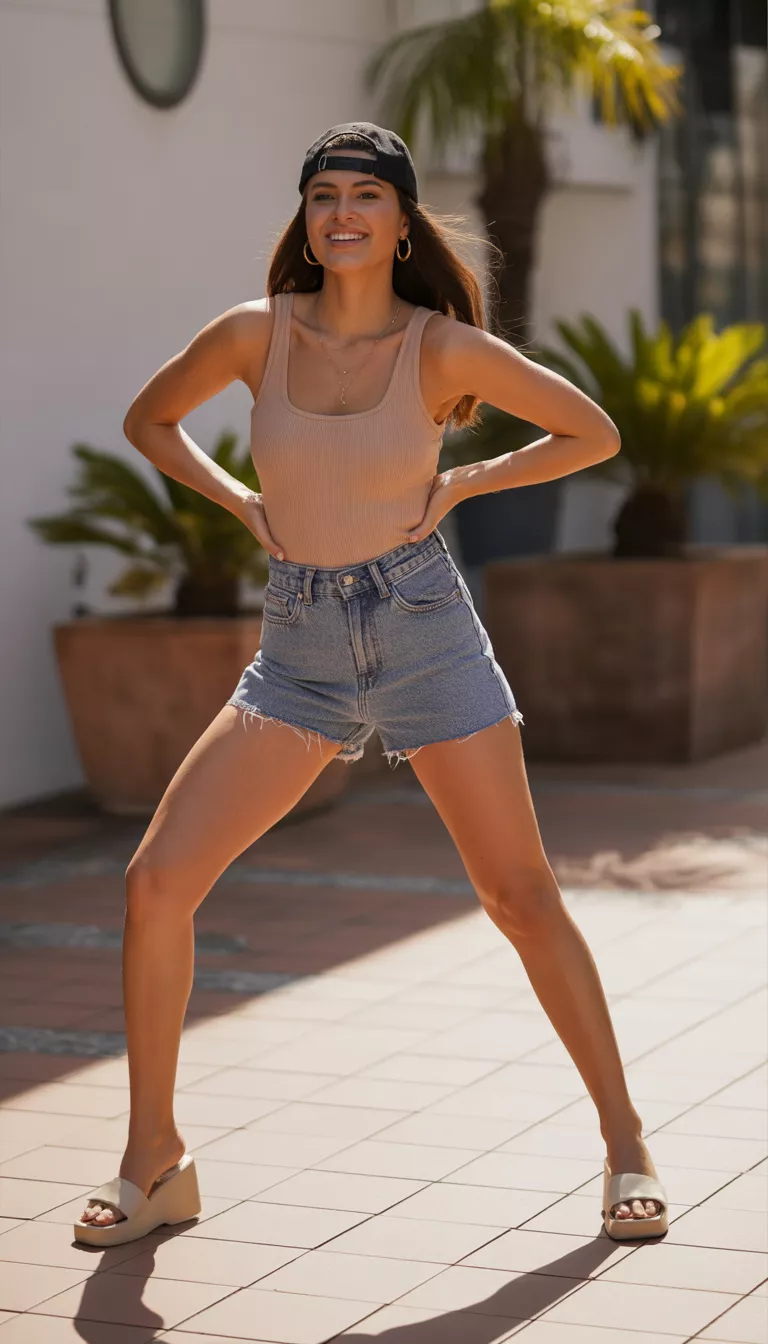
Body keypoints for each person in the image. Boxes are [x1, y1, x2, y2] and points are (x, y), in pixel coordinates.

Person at [74, 122, 668, 1247]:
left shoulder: (440, 348)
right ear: (306, 217)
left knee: (519, 897)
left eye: (364, 197)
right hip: (296, 642)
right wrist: (240, 504)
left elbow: (590, 430)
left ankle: (627, 1141)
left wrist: (471, 478)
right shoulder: (255, 334)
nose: (340, 215)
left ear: (401, 225)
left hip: (422, 628)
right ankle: (153, 1158)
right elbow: (149, 420)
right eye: (322, 196)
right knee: (156, 885)